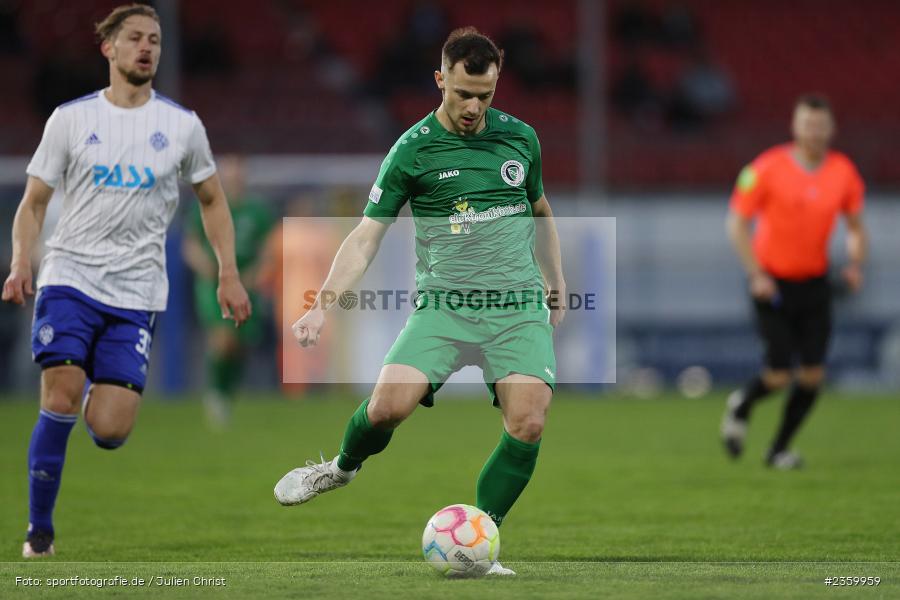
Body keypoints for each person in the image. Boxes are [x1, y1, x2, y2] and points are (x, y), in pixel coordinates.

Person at [273, 28, 565, 576]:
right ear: (441, 80)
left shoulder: (522, 139)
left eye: (485, 94)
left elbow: (541, 211)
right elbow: (365, 236)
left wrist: (555, 280)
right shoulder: (412, 150)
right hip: (445, 307)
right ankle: (340, 466)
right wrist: (322, 304)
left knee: (528, 420)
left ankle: (479, 539)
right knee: (387, 409)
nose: (475, 106)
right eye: (463, 93)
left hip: (515, 308)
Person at [1, 4, 251, 558]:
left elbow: (213, 202)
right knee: (61, 393)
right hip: (69, 275)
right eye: (135, 38)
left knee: (111, 430)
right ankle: (39, 531)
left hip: (137, 292)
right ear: (108, 49)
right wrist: (23, 261)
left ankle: (93, 381)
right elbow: (33, 203)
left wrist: (228, 274)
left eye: (155, 40)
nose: (147, 47)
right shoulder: (70, 119)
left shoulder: (182, 127)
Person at [721, 95, 867, 469]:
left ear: (831, 129)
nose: (814, 132)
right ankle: (742, 403)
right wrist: (755, 273)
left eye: (821, 125)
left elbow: (854, 226)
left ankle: (779, 449)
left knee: (814, 374)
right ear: (795, 127)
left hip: (815, 283)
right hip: (771, 283)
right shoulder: (766, 168)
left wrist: (854, 262)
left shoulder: (843, 172)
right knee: (779, 374)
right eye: (808, 124)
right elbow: (737, 221)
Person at [182, 154, 272, 425]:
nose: (233, 179)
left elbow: (269, 249)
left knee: (240, 344)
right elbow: (191, 245)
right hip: (214, 283)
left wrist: (256, 273)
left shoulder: (257, 211)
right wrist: (207, 266)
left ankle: (227, 393)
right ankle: (216, 395)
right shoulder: (206, 206)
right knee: (222, 337)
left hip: (246, 283)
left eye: (237, 174)